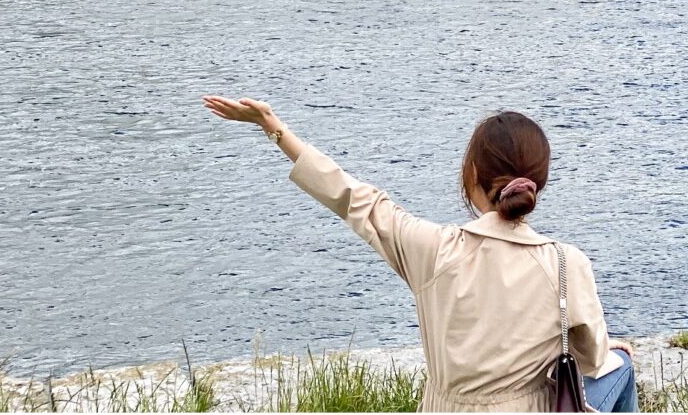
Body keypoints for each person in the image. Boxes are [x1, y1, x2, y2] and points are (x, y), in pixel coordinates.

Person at [201, 96, 638, 413]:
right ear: (537, 184)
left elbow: (353, 198)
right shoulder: (566, 263)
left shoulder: (432, 249)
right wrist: (608, 350)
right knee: (620, 367)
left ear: (470, 174)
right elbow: (591, 360)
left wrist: (275, 129)